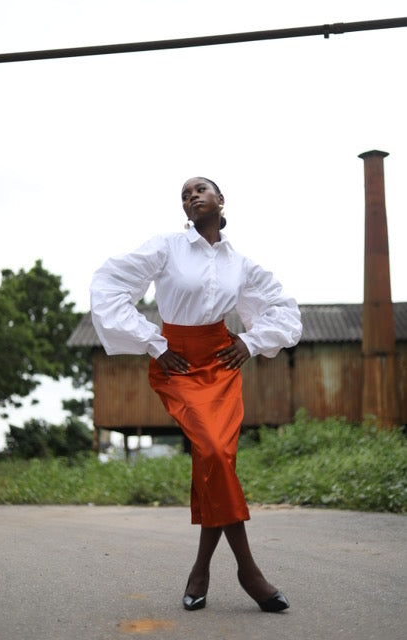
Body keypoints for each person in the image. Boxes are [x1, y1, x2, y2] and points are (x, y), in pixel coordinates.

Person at [90, 176, 302, 613]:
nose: (191, 196)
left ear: (221, 201)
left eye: (200, 189)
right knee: (213, 453)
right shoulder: (166, 246)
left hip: (221, 364)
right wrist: (154, 342)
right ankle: (249, 571)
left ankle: (201, 568)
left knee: (213, 461)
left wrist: (250, 340)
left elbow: (283, 308)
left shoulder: (239, 263)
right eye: (184, 194)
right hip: (178, 364)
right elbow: (110, 285)